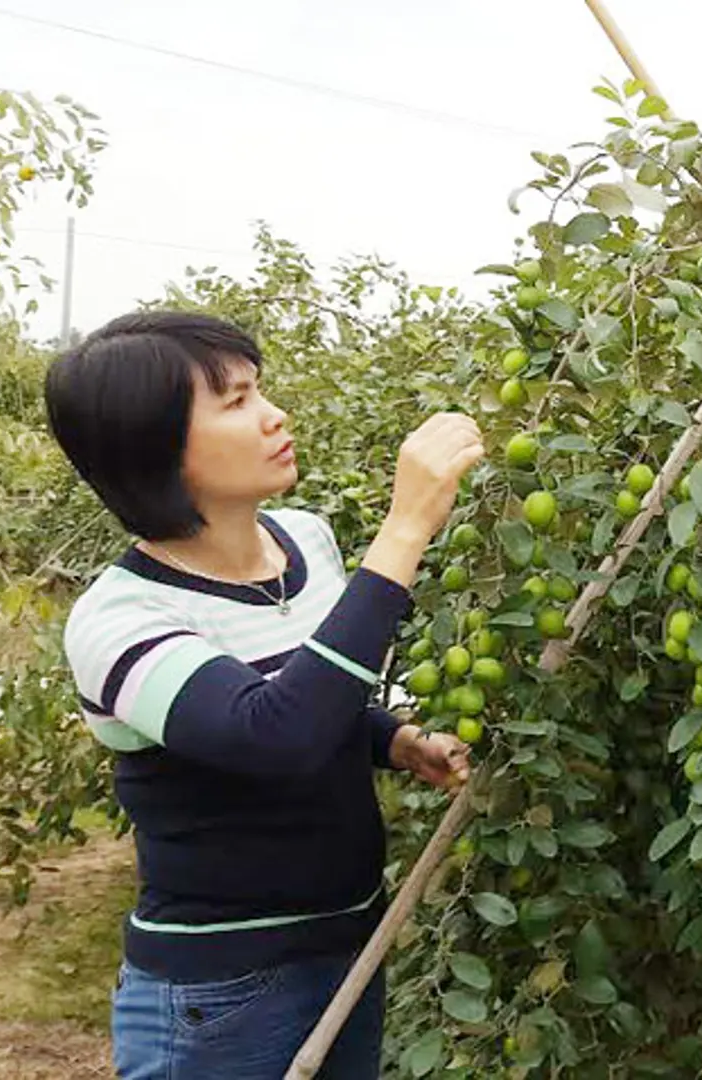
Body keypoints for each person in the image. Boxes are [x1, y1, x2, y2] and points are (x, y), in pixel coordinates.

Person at [44, 310, 485, 1079]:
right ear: (155, 445)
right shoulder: (120, 619)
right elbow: (272, 735)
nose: (273, 414)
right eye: (237, 401)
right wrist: (406, 527)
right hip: (219, 993)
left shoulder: (305, 540)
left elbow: (320, 690)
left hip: (349, 945)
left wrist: (393, 738)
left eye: (260, 389)